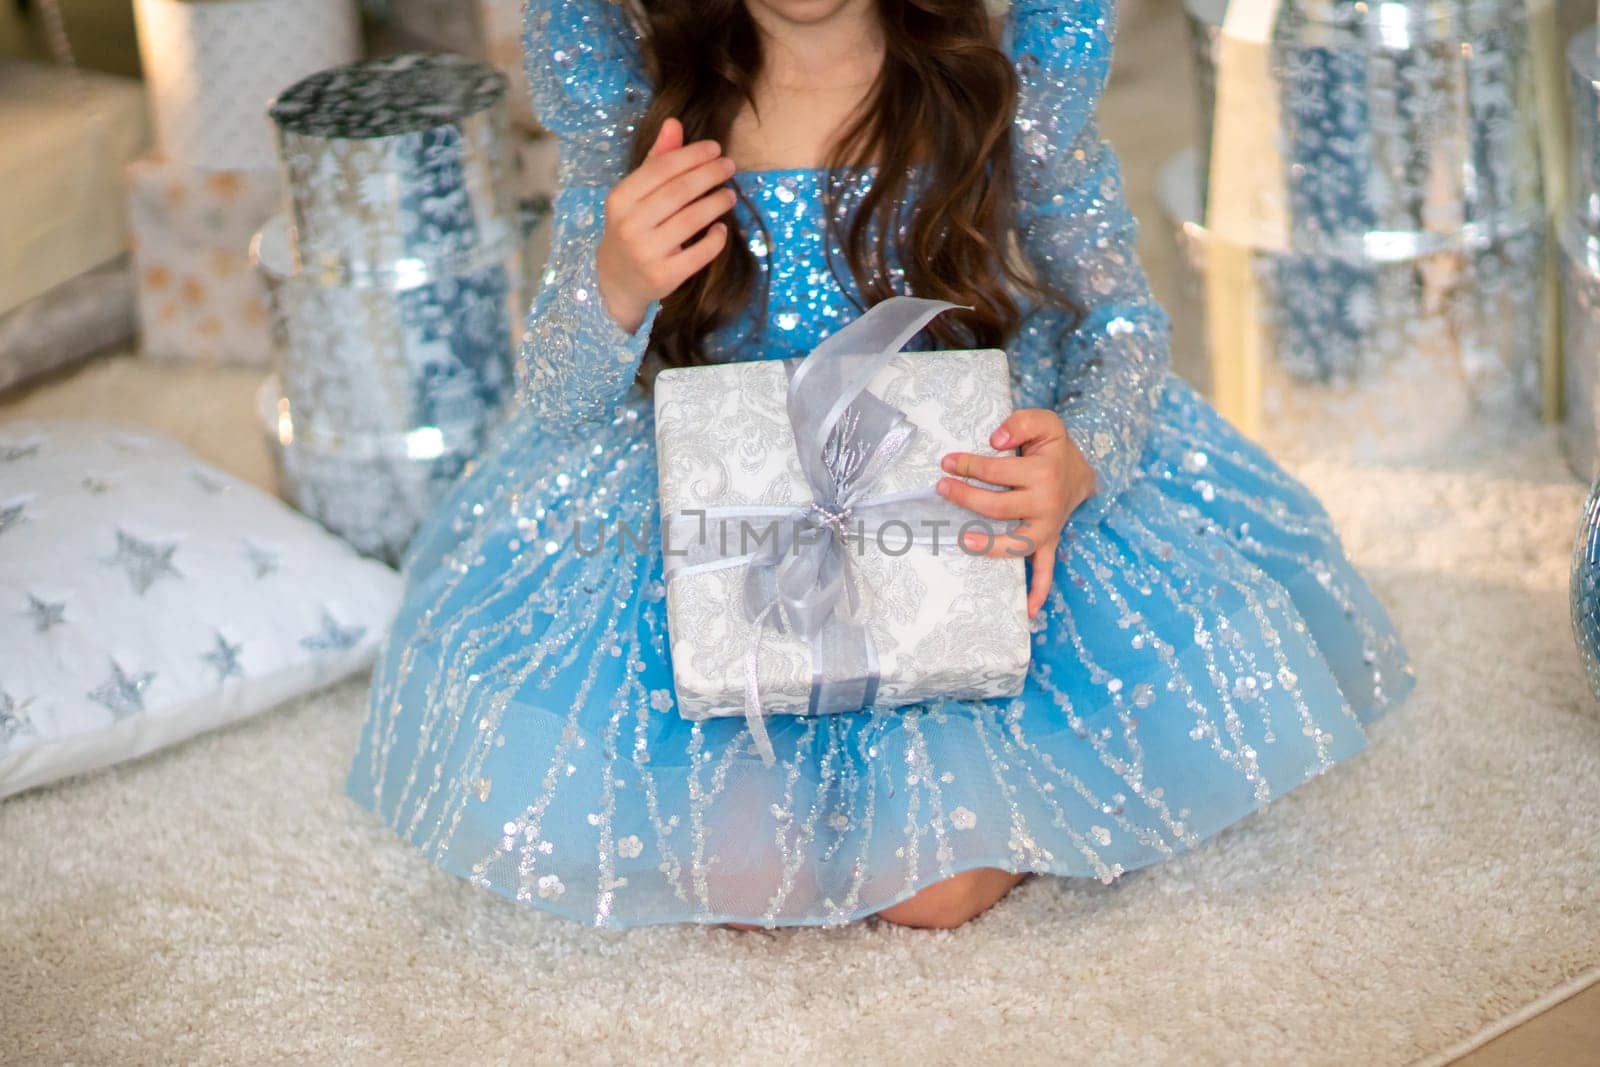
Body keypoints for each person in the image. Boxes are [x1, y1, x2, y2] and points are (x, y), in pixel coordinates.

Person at [345, 0, 1413, 930]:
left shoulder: (998, 79)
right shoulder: (645, 96)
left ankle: (999, 773)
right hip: (732, 514)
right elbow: (558, 399)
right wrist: (612, 286)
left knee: (929, 885)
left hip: (941, 500)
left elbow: (1124, 319)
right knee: (742, 869)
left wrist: (1081, 454)